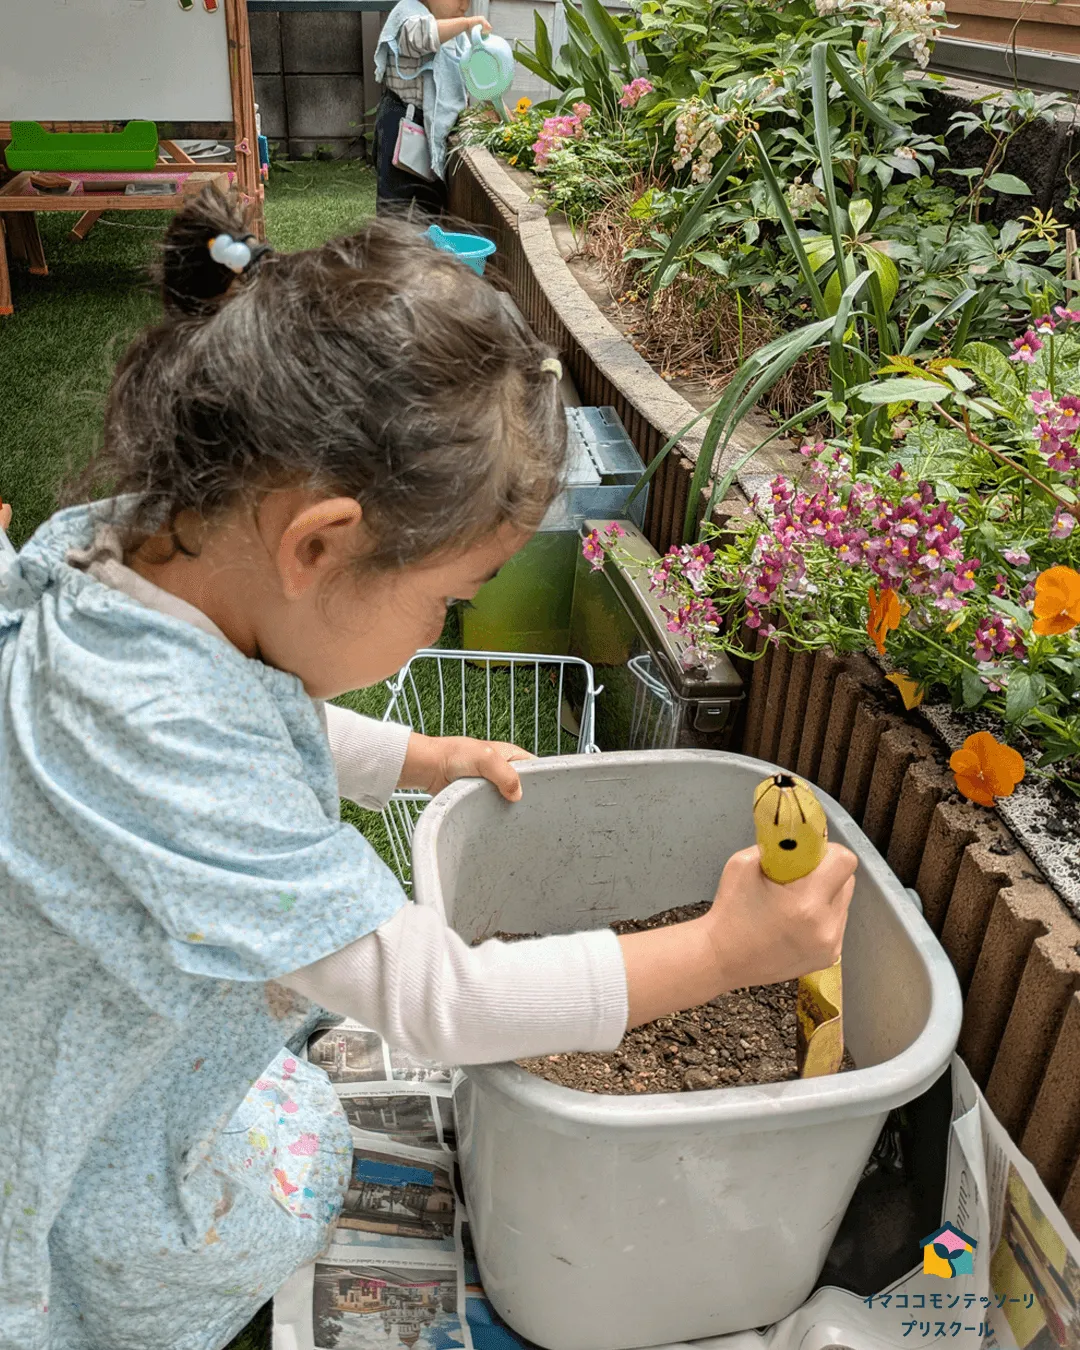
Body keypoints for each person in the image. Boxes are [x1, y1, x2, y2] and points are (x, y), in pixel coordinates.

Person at [0, 186, 857, 1350]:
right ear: (318, 544)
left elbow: (256, 726)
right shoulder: (157, 732)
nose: (436, 634)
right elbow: (435, 998)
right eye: (445, 602)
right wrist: (723, 952)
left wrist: (422, 756)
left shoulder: (147, 549)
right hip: (62, 1098)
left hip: (97, 981)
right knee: (255, 1201)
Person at [373, 0, 487, 216]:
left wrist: (494, 103)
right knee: (395, 201)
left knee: (433, 200)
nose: (465, 5)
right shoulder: (407, 15)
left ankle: (430, 232)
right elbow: (422, 37)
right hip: (401, 123)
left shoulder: (456, 34)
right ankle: (389, 235)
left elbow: (473, 73)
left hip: (436, 127)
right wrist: (466, 24)